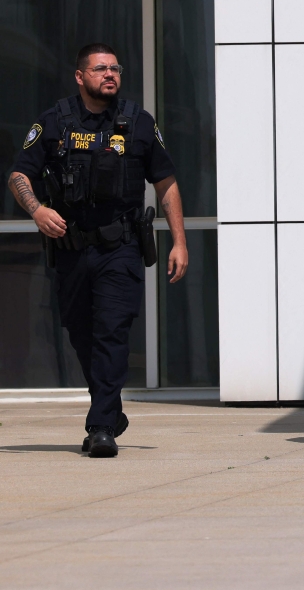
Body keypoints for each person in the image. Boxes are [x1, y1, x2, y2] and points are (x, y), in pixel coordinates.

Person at [7, 43, 188, 458]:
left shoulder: (138, 122)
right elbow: (20, 172)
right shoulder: (54, 121)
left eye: (115, 69)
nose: (110, 75)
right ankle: (110, 406)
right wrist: (37, 209)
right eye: (100, 69)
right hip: (71, 250)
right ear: (80, 76)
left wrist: (179, 240)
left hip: (120, 247)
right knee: (79, 331)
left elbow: (166, 183)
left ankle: (101, 426)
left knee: (112, 331)